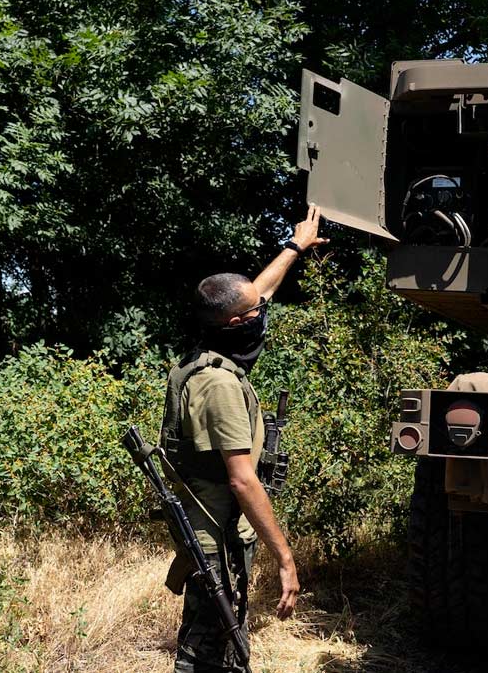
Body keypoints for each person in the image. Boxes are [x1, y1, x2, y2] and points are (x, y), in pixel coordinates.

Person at [159, 205, 327, 672]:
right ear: (236, 323)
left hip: (220, 528)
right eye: (255, 311)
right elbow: (242, 481)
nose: (263, 312)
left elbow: (258, 293)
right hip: (217, 533)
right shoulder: (220, 385)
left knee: (219, 642)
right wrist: (286, 559)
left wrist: (295, 245)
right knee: (207, 651)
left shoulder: (213, 346)